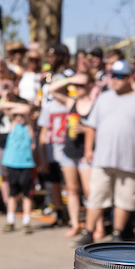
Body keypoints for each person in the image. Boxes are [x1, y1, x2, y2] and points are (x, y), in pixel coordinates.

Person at [83, 59, 135, 243]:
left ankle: (117, 233)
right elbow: (91, 126)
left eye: (119, 76)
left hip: (129, 161)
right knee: (96, 196)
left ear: (130, 78)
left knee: (125, 199)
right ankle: (88, 232)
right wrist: (89, 149)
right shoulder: (103, 98)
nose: (114, 79)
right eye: (112, 75)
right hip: (102, 159)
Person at [44, 70, 95, 238]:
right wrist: (71, 79)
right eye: (77, 85)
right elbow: (51, 89)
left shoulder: (96, 105)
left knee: (89, 191)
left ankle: (92, 225)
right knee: (71, 190)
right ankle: (75, 224)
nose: (79, 87)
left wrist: (85, 129)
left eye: (82, 84)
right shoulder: (71, 102)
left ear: (90, 85)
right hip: (69, 152)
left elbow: (101, 128)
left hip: (85, 153)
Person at [0, 101, 40, 233]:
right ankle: (10, 220)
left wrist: (22, 110)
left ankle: (26, 221)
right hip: (12, 164)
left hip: (26, 164)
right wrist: (15, 109)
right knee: (13, 193)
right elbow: (3, 106)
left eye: (21, 115)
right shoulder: (13, 124)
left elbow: (27, 111)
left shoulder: (29, 126)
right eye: (16, 115)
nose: (19, 117)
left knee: (27, 194)